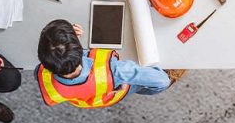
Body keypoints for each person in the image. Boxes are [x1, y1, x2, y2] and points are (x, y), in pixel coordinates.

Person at [35, 19, 184, 108]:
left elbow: (45, 67)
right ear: (79, 48)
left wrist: (67, 46)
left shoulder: (42, 72)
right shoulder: (117, 70)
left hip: (88, 98)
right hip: (117, 87)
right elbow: (162, 82)